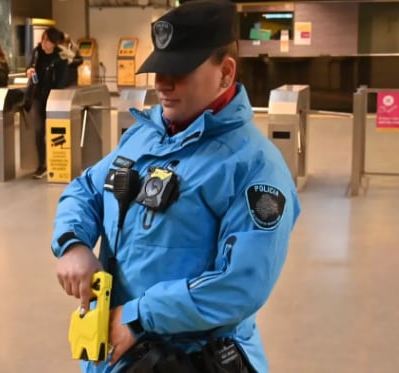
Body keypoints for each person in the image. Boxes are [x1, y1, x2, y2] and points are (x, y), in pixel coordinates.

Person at [50, 1, 301, 372]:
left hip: (191, 359)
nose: (162, 84)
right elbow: (86, 189)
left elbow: (240, 285)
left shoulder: (253, 167)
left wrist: (139, 316)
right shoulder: (144, 136)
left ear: (225, 73)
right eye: (158, 70)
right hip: (119, 354)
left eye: (179, 71)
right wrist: (73, 242)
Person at [24, 27, 69, 179]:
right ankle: (41, 164)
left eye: (48, 40)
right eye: (43, 39)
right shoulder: (37, 52)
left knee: (54, 132)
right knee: (38, 131)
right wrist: (29, 70)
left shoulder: (60, 58)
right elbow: (29, 66)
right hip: (37, 96)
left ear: (55, 42)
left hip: (53, 99)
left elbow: (62, 81)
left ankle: (57, 163)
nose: (44, 43)